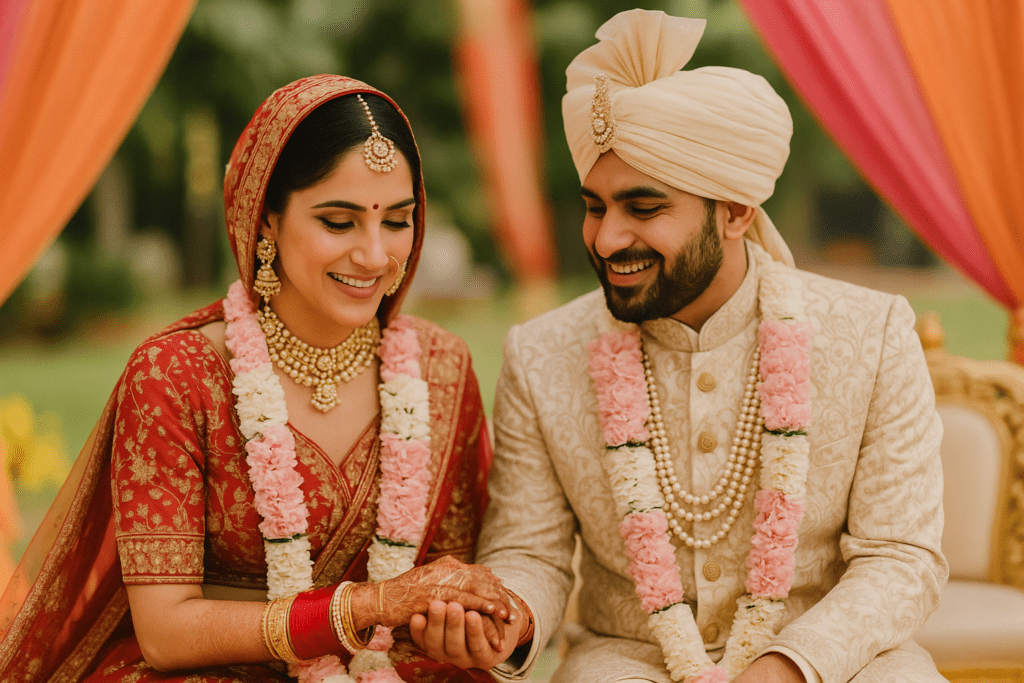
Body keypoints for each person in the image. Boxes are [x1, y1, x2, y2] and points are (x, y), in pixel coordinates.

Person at [411, 10, 947, 683]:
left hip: (831, 660)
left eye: (643, 207)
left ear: (736, 210)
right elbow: (531, 552)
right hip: (627, 659)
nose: (606, 239)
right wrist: (508, 617)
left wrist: (787, 664)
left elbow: (900, 556)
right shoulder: (541, 353)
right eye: (595, 206)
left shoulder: (870, 333)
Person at [0, 75, 515, 683]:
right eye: (339, 221)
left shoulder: (440, 370)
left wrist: (463, 625)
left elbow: (448, 577)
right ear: (266, 219)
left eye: (397, 221)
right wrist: (367, 605)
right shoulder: (176, 375)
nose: (376, 256)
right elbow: (164, 633)